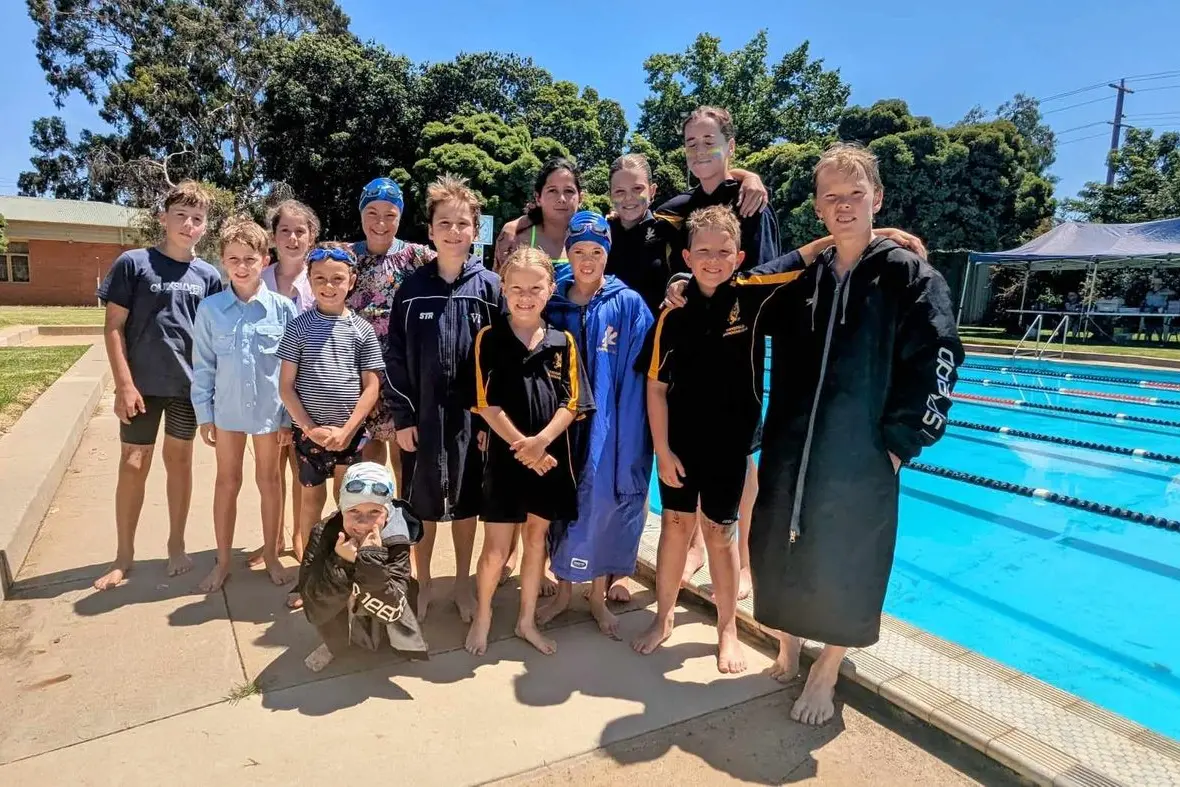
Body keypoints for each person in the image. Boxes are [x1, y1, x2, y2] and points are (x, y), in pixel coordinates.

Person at [748, 143, 963, 725]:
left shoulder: (910, 276)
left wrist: (900, 446)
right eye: (832, 197)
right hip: (793, 444)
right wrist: (817, 247)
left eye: (855, 194)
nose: (844, 206)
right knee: (779, 545)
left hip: (863, 450)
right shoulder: (803, 279)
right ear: (818, 208)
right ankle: (790, 648)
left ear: (878, 198)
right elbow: (745, 289)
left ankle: (827, 668)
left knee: (850, 558)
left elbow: (939, 360)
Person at [633, 205, 804, 674]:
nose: (713, 260)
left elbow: (801, 257)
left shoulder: (751, 295)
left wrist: (872, 232)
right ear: (686, 257)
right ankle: (664, 616)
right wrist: (662, 449)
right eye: (703, 251)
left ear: (739, 256)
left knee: (720, 533)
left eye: (723, 251)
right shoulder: (672, 314)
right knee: (674, 526)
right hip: (680, 444)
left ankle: (727, 628)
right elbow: (655, 387)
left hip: (728, 446)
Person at [93, 180, 224, 591]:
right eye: (181, 215)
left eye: (197, 218)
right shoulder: (133, 263)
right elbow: (113, 327)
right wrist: (124, 385)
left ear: (205, 226)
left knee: (179, 464)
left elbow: (213, 339)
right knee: (133, 464)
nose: (188, 225)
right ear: (163, 218)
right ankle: (123, 555)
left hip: (186, 390)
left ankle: (176, 544)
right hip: (142, 389)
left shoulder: (209, 276)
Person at [464, 248, 594, 657]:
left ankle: (526, 621)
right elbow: (485, 403)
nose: (525, 296)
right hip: (505, 461)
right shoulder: (489, 339)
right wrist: (524, 445)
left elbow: (572, 403)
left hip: (548, 460)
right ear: (503, 289)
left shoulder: (562, 342)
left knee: (536, 540)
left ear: (550, 290)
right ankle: (484, 614)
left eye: (535, 288)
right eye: (516, 288)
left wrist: (540, 443)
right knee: (496, 548)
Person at [386, 175, 502, 623]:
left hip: (472, 422)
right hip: (423, 418)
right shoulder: (412, 289)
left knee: (468, 503)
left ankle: (462, 585)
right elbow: (394, 356)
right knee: (423, 505)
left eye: (463, 223)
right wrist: (403, 417)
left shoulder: (490, 288)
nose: (454, 231)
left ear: (476, 229)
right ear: (430, 230)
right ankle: (424, 583)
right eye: (445, 223)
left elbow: (502, 363)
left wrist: (491, 423)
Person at [539, 211, 654, 637]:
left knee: (604, 505)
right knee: (562, 507)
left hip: (611, 422)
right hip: (560, 425)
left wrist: (630, 434)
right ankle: (564, 593)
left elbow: (641, 375)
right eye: (579, 251)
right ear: (567, 252)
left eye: (596, 252)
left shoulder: (628, 304)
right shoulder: (552, 302)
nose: (587, 260)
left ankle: (597, 597)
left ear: (608, 253)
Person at [191, 218, 297, 592]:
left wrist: (288, 418)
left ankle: (272, 554)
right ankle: (222, 562)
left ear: (264, 260)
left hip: (270, 414)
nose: (241, 266)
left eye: (250, 259)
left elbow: (293, 369)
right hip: (228, 413)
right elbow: (203, 366)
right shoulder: (210, 310)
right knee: (227, 481)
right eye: (233, 258)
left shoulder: (283, 309)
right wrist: (204, 414)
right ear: (223, 260)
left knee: (269, 480)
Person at [277, 242, 385, 607]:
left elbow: (371, 387)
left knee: (348, 508)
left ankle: (343, 575)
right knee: (311, 504)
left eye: (337, 278)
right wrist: (309, 428)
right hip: (310, 436)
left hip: (349, 437)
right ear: (309, 280)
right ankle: (309, 577)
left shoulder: (362, 329)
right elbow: (286, 386)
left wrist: (348, 429)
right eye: (320, 278)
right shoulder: (298, 327)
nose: (329, 286)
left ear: (351, 281)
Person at [298, 462, 428, 672]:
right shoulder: (324, 533)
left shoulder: (396, 538)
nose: (363, 522)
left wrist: (370, 560)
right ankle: (334, 645)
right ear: (342, 509)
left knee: (408, 589)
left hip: (383, 595)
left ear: (387, 512)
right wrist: (341, 562)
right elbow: (314, 609)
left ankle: (404, 643)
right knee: (324, 593)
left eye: (374, 511)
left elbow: (393, 608)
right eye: (354, 510)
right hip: (341, 601)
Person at [349, 178, 436, 491]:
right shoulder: (346, 258)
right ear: (361, 214)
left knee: (405, 454)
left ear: (400, 217)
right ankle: (371, 514)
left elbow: (456, 269)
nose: (381, 223)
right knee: (368, 456)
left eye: (390, 214)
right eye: (372, 213)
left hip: (404, 372)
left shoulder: (418, 257)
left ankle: (401, 518)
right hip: (359, 372)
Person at [249, 199, 319, 567]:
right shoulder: (257, 279)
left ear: (312, 237)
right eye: (285, 231)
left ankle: (298, 537)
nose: (292, 238)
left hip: (305, 390)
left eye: (300, 231)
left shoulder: (320, 279)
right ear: (273, 237)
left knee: (300, 468)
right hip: (265, 388)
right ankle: (272, 539)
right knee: (269, 469)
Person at [655, 106, 781, 273]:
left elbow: (764, 275)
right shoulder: (677, 210)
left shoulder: (750, 202)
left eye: (709, 142)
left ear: (731, 146)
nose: (699, 151)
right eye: (691, 144)